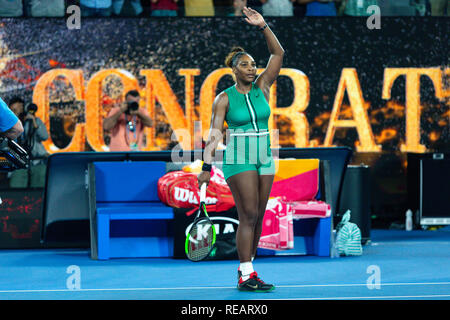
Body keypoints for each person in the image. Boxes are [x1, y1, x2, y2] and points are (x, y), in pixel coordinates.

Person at [197, 7, 284, 292]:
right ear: (234, 70)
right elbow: (212, 136)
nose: (252, 68)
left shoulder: (263, 86)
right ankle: (245, 273)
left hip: (264, 157)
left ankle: (249, 270)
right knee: (247, 215)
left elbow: (278, 54)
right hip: (239, 158)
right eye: (245, 65)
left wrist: (263, 26)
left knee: (258, 215)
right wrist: (206, 168)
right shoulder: (224, 98)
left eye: (253, 64)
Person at [7, 98, 49, 188]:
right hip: (18, 163)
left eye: (20, 107)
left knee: (39, 191)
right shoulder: (8, 124)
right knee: (17, 188)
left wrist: (34, 122)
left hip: (37, 161)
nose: (18, 111)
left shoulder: (35, 121)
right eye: (13, 110)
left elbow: (44, 136)